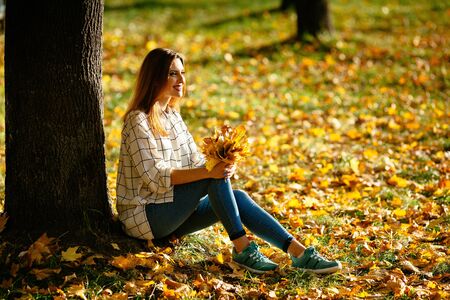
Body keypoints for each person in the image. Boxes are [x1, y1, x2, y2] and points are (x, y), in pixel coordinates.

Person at [116, 47, 341, 274]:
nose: (182, 79)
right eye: (173, 73)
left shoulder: (172, 115)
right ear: (154, 77)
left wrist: (222, 163)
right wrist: (210, 172)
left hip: (173, 212)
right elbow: (156, 177)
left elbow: (195, 162)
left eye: (182, 72)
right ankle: (243, 249)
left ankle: (299, 253)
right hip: (145, 217)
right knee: (211, 177)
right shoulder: (138, 120)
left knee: (236, 194)